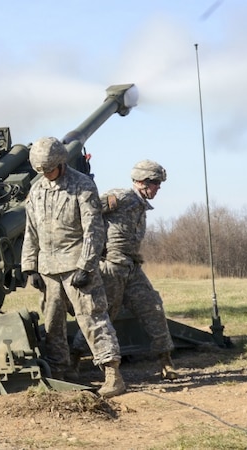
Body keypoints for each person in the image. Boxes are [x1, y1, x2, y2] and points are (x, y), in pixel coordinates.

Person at [21, 137, 125, 398]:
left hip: (77, 264)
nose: (46, 175)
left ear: (61, 163)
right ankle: (61, 371)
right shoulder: (37, 190)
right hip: (49, 268)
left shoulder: (82, 185)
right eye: (41, 171)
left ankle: (113, 375)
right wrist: (30, 267)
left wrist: (87, 265)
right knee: (53, 323)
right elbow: (31, 230)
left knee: (93, 318)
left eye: (49, 169)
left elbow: (94, 229)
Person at [88, 160, 178, 379]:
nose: (158, 187)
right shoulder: (121, 197)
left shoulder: (140, 207)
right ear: (142, 181)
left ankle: (166, 362)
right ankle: (76, 359)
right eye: (155, 183)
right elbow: (87, 211)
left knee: (153, 307)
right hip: (112, 268)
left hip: (132, 268)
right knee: (103, 315)